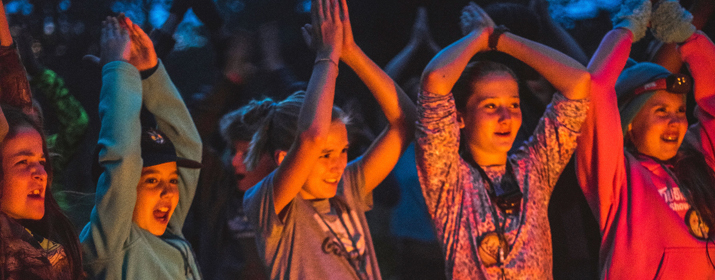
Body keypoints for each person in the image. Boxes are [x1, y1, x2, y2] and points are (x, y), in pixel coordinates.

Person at [242, 0, 416, 278]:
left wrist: (351, 52)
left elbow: (405, 123)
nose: (338, 165)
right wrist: (326, 56)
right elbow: (312, 136)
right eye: (325, 155)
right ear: (284, 158)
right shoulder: (270, 206)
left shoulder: (348, 188)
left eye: (343, 150)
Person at [416, 2, 590, 279]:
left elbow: (579, 82)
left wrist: (500, 39)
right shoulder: (448, 177)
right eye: (490, 106)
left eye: (514, 104)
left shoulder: (534, 170)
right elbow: (436, 80)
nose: (506, 116)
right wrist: (477, 38)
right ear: (459, 117)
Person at [576, 0, 715, 278]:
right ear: (629, 123)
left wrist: (688, 35)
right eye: (660, 111)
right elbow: (595, 89)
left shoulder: (700, 164)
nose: (675, 120)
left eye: (679, 110)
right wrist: (626, 28)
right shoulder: (618, 178)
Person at [79, 15, 203, 279]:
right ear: (121, 188)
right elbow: (122, 158)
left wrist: (150, 71)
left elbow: (188, 145)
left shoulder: (169, 232)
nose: (168, 192)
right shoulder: (112, 246)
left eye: (172, 180)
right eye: (151, 181)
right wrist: (117, 69)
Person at [0, 2, 84, 279]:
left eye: (42, 160)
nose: (42, 173)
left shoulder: (47, 245)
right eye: (24, 161)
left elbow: (77, 122)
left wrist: (36, 71)